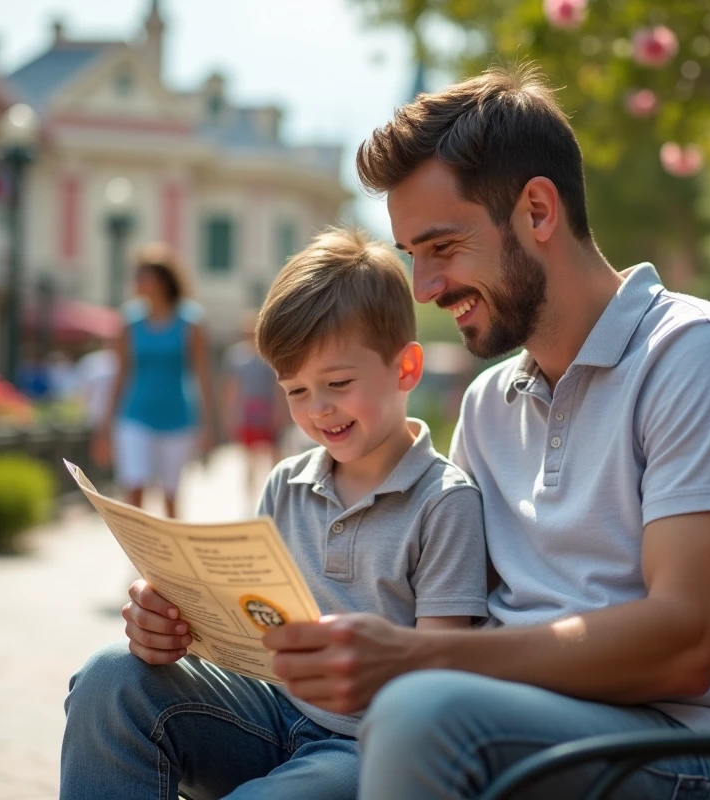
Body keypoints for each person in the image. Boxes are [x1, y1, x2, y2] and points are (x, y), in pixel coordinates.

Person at [250, 65, 710, 800]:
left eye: (442, 248)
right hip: (510, 722)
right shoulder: (491, 404)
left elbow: (685, 644)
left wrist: (422, 662)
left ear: (539, 212)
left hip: (685, 749)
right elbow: (438, 594)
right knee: (125, 686)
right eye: (412, 256)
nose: (422, 287)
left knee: (424, 711)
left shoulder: (696, 358)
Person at [61, 228, 489, 800]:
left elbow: (438, 681)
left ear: (405, 370)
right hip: (265, 710)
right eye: (296, 391)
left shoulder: (445, 502)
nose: (319, 410)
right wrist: (170, 619)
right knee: (109, 678)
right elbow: (247, 630)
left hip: (363, 745)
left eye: (337, 383)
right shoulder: (287, 482)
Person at [92, 242, 216, 519]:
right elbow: (120, 375)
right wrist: (105, 425)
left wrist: (207, 424)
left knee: (171, 497)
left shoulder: (191, 321)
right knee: (134, 487)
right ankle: (137, 561)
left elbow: (202, 376)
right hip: (135, 416)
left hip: (178, 419)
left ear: (161, 280)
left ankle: (169, 561)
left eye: (141, 275)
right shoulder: (129, 322)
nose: (135, 282)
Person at [221, 311, 287, 502]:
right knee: (249, 460)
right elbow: (231, 386)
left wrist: (280, 410)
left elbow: (277, 386)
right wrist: (230, 413)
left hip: (267, 409)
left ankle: (275, 496)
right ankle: (251, 500)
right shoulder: (236, 356)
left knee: (273, 456)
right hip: (247, 412)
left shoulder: (269, 356)